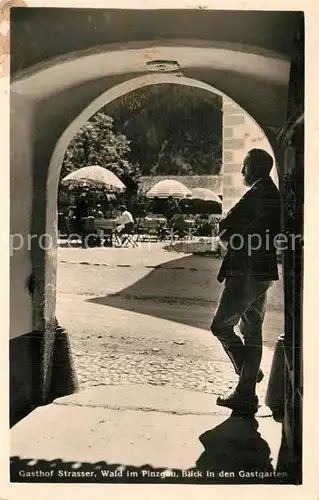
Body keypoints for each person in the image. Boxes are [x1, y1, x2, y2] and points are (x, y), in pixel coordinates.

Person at [210, 148, 281, 414]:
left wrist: (231, 235)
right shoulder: (271, 193)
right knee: (252, 331)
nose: (241, 172)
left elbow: (227, 226)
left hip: (246, 271)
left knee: (221, 326)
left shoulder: (259, 192)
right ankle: (246, 392)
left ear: (255, 169)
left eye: (245, 166)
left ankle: (248, 380)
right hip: (261, 273)